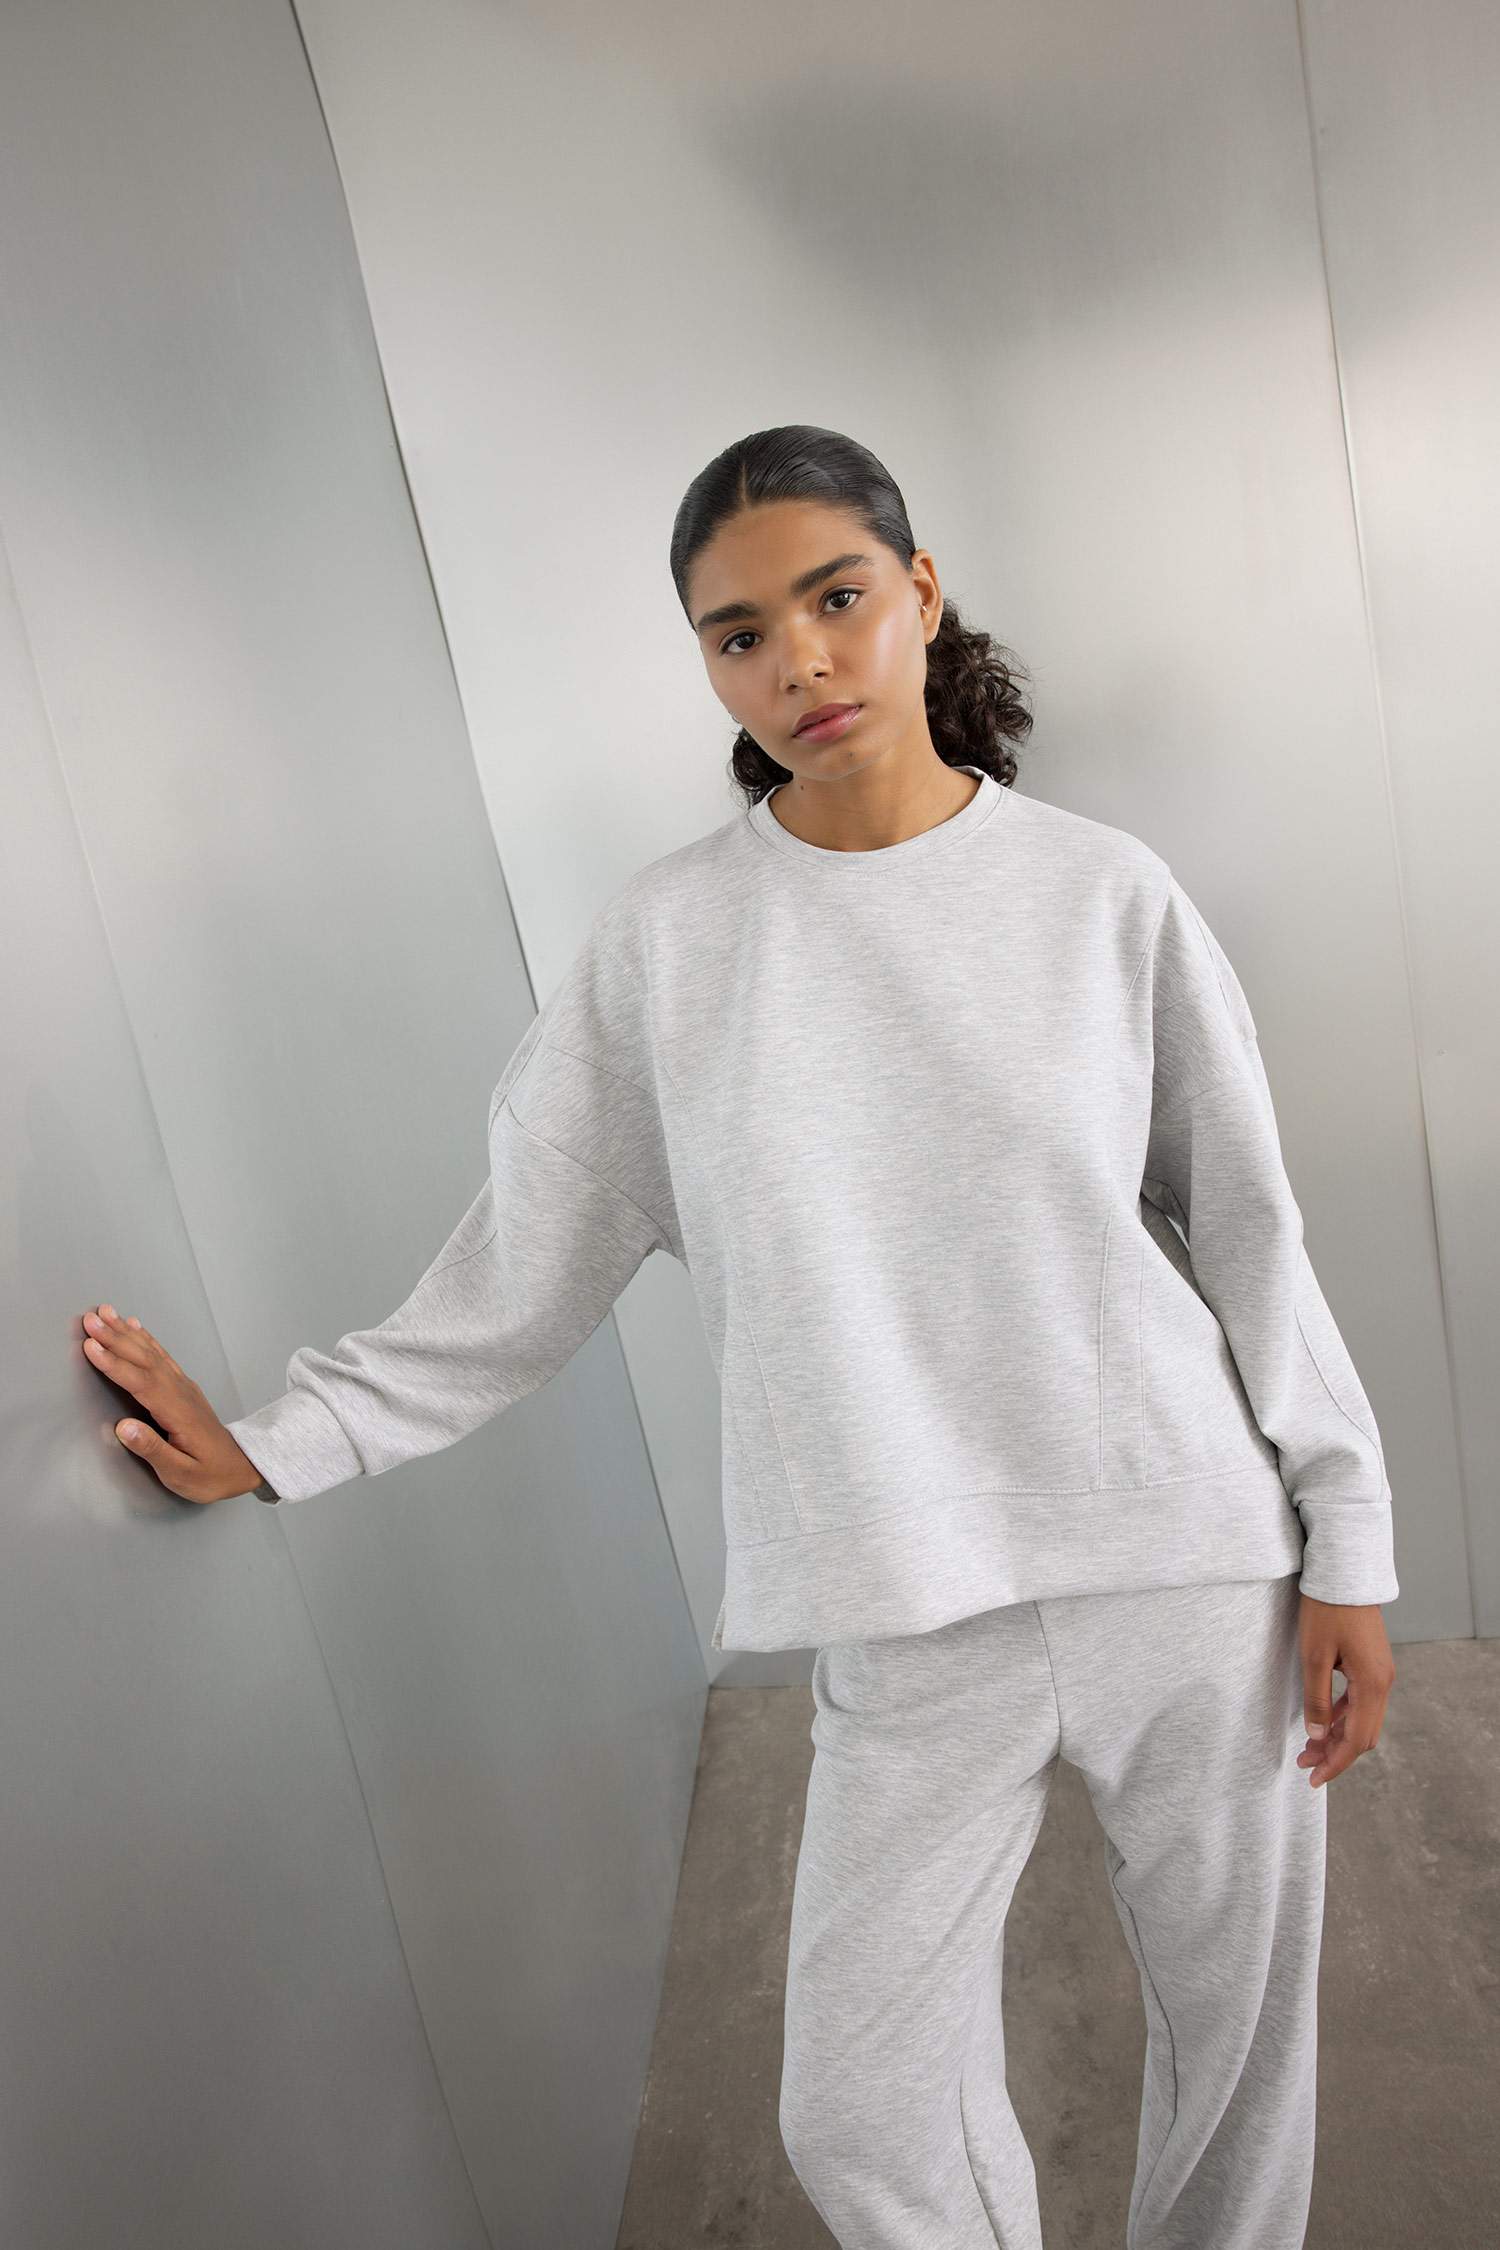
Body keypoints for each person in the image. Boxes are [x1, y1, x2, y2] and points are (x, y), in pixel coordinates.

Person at [80, 423, 1397, 2249]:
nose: (801, 660)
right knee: (857, 2109)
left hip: (1186, 1563)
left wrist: (1348, 1538)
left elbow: (1252, 1232)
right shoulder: (672, 948)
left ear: (919, 593)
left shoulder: (1103, 894)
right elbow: (522, 1264)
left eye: (837, 598)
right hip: (902, 1600)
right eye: (741, 632)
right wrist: (285, 1437)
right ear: (708, 661)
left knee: (1240, 2054)